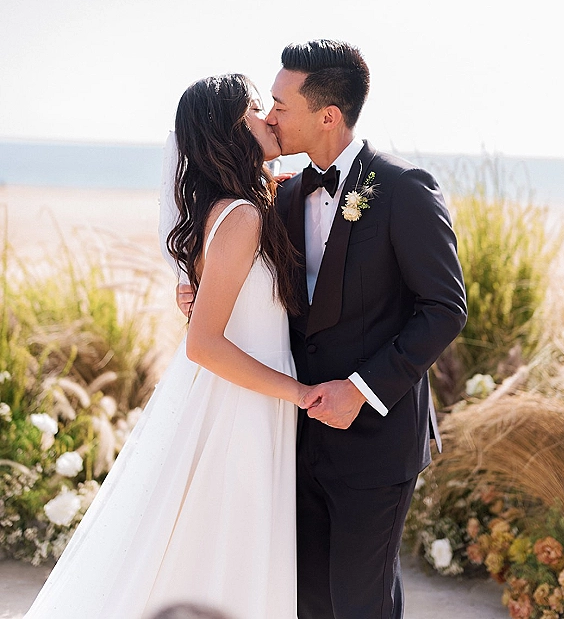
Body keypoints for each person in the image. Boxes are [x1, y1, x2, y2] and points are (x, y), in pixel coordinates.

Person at [25, 74, 306, 619]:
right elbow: (203, 344)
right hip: (241, 407)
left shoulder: (241, 206)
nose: (269, 118)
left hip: (240, 396)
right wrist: (298, 393)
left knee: (205, 549)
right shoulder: (241, 216)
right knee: (230, 556)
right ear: (230, 129)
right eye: (256, 109)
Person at [265, 39, 468, 619]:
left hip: (377, 441)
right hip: (299, 436)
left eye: (281, 106)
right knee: (308, 603)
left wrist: (361, 388)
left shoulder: (404, 189)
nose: (269, 116)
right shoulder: (283, 195)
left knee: (362, 604)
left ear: (328, 115)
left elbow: (444, 308)